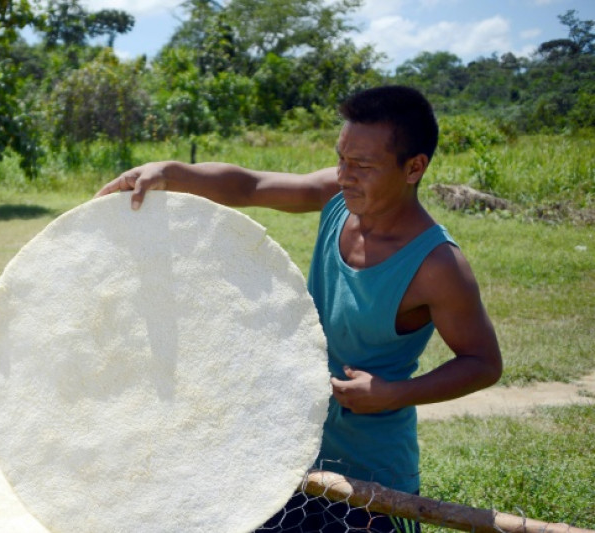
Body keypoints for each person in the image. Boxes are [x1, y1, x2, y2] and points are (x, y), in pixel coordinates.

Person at [96, 85, 502, 532]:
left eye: (363, 166)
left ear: (414, 168)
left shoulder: (437, 264)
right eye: (341, 159)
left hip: (372, 483)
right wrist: (171, 171)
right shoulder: (337, 198)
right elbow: (250, 184)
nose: (345, 175)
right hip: (289, 451)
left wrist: (392, 393)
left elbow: (483, 363)